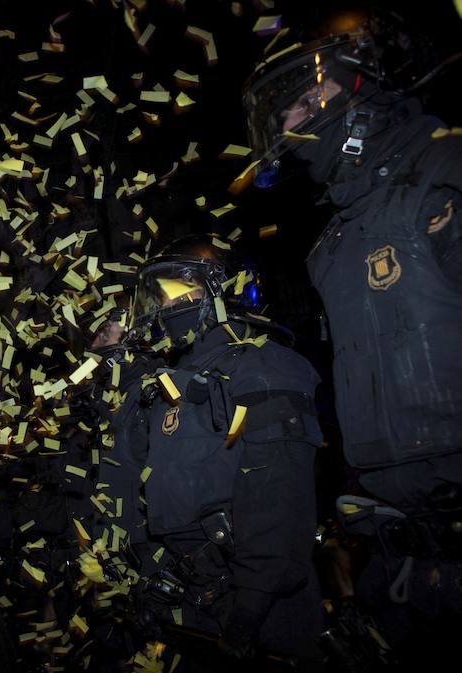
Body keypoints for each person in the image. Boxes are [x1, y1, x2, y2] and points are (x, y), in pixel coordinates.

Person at [242, 8, 462, 665]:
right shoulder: (332, 246)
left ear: (367, 82)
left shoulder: (446, 171)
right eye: (284, 112)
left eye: (308, 99)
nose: (293, 122)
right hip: (401, 560)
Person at [131, 235, 324, 671]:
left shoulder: (262, 366)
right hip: (194, 600)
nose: (164, 305)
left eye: (177, 290)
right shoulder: (171, 384)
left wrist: (251, 605)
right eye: (159, 294)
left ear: (223, 287)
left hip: (259, 607)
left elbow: (278, 494)